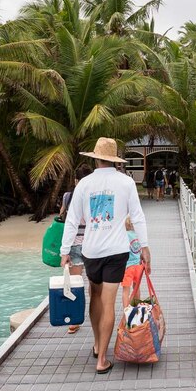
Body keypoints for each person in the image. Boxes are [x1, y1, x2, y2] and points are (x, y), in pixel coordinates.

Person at [61, 137, 151, 374]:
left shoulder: (84, 184)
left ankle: (97, 343)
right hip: (117, 251)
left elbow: (71, 219)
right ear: (114, 160)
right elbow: (138, 216)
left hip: (91, 251)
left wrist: (64, 251)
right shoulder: (126, 182)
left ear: (96, 158)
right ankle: (103, 359)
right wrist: (145, 246)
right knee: (109, 303)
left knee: (95, 297)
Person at [58, 163, 93, 335]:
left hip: (74, 243)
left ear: (75, 179)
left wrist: (64, 250)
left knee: (75, 284)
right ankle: (95, 315)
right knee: (93, 284)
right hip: (92, 244)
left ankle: (74, 321)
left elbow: (64, 217)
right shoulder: (94, 195)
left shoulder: (67, 196)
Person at [121, 217, 145, 307]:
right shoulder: (139, 236)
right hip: (138, 265)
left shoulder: (125, 235)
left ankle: (126, 310)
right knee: (136, 287)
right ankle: (137, 306)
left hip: (128, 266)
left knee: (125, 290)